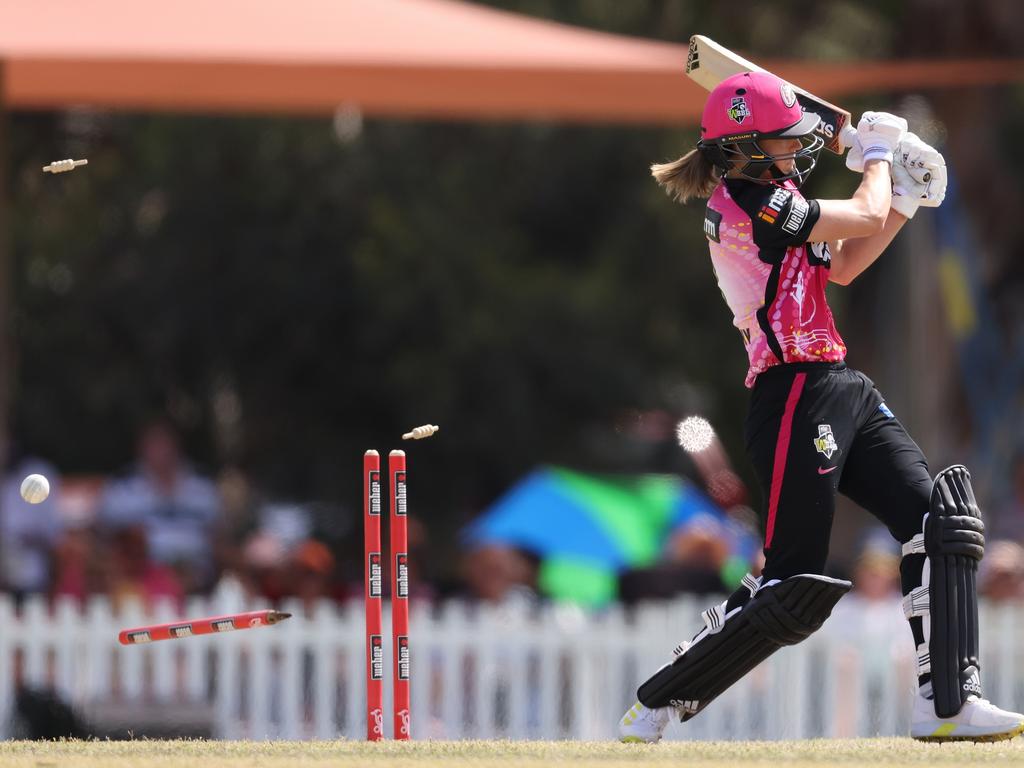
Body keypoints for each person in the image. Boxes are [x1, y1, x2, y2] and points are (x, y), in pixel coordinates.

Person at [618, 70, 1023, 744]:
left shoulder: (775, 196)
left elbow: (846, 262)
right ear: (747, 145)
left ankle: (948, 702)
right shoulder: (750, 203)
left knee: (940, 524)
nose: (797, 149)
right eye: (783, 140)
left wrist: (907, 200)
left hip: (837, 382)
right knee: (794, 587)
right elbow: (859, 213)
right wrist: (875, 160)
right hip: (791, 397)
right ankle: (661, 701)